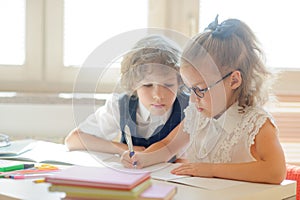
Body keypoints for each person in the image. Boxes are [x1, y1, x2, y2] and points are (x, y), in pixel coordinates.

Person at [121, 16, 286, 184]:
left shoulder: (256, 123)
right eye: (189, 89)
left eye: (199, 89)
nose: (192, 99)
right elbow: (169, 146)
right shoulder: (197, 115)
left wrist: (211, 170)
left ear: (234, 80)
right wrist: (142, 158)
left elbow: (275, 172)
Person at [65, 35, 189, 158]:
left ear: (180, 82)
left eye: (168, 85)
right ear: (134, 83)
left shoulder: (191, 107)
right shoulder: (120, 106)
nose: (158, 95)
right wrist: (123, 149)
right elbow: (73, 140)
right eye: (147, 85)